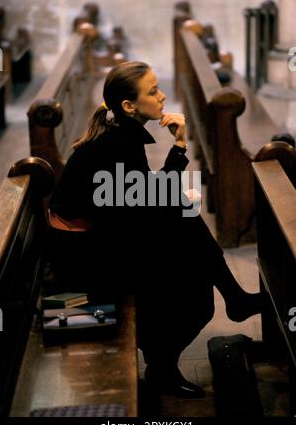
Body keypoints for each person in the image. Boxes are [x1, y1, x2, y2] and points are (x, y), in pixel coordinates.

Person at [48, 61, 263, 398]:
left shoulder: (120, 136)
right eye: (152, 91)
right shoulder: (118, 146)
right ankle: (167, 363)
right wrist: (179, 148)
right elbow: (142, 211)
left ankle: (226, 302)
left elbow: (146, 201)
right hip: (80, 274)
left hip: (96, 245)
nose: (162, 97)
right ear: (129, 106)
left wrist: (177, 158)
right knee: (193, 294)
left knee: (181, 215)